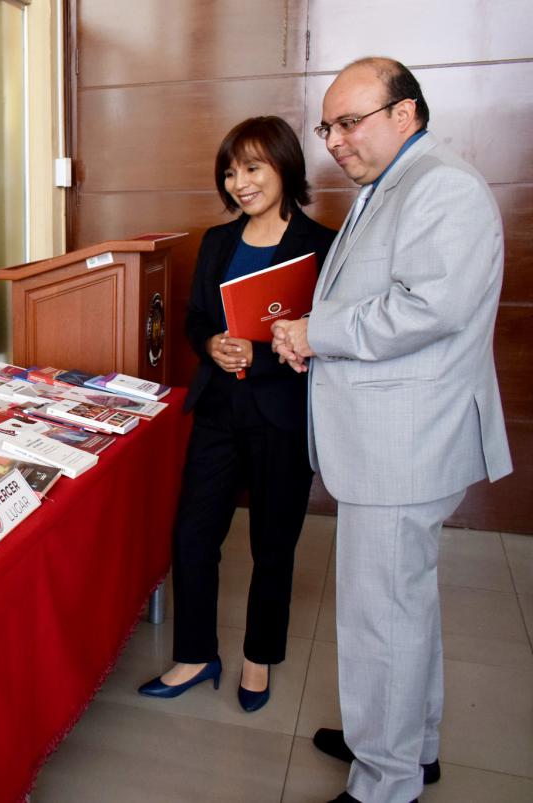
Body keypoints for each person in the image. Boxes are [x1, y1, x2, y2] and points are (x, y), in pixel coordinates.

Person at [271, 57, 511, 803]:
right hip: (393, 437)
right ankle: (408, 744)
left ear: (404, 114)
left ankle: (384, 783)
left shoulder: (441, 186)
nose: (335, 141)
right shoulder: (394, 183)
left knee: (383, 616)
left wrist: (315, 333)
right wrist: (312, 334)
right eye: (328, 127)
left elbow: (426, 307)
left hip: (405, 441)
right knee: (403, 607)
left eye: (350, 122)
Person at [137, 117, 335, 712]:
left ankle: (258, 658)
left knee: (274, 545)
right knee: (193, 534)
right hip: (219, 410)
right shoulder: (218, 241)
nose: (239, 182)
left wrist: (260, 355)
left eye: (252, 167)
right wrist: (212, 344)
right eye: (229, 171)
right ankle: (196, 654)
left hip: (283, 416)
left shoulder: (323, 246)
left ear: (284, 166)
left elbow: (328, 336)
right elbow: (197, 319)